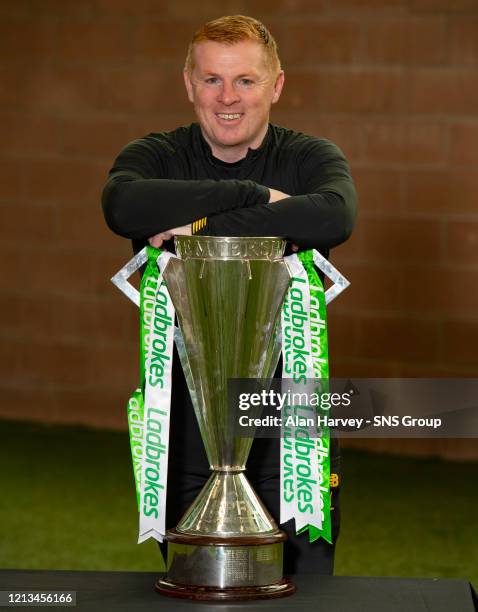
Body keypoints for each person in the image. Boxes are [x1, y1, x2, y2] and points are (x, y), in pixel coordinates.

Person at [102, 14, 357, 574]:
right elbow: (123, 207)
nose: (227, 98)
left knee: (305, 594)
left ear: (276, 85)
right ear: (188, 83)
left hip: (290, 427)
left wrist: (194, 225)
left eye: (245, 80)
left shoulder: (311, 158)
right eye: (212, 79)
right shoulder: (158, 155)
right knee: (199, 590)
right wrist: (252, 195)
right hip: (185, 429)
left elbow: (334, 217)